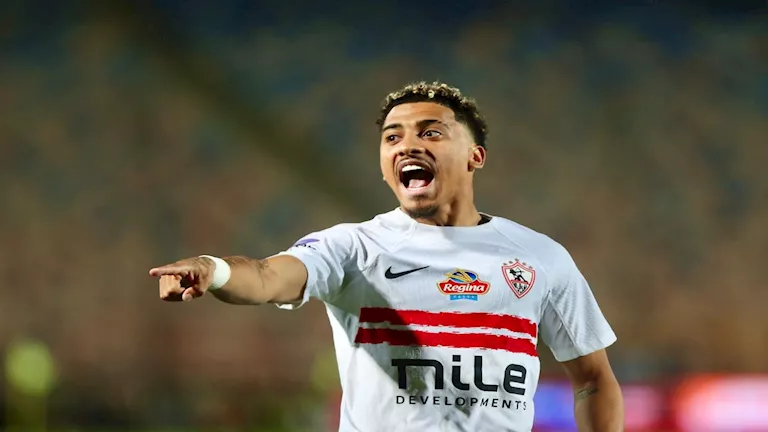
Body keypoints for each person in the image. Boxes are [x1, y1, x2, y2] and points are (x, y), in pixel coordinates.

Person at [149, 82, 624, 431]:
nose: (408, 145)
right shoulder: (352, 247)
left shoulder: (540, 257)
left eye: (431, 133)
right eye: (392, 137)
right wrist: (216, 270)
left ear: (475, 156)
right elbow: (267, 276)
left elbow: (593, 379)